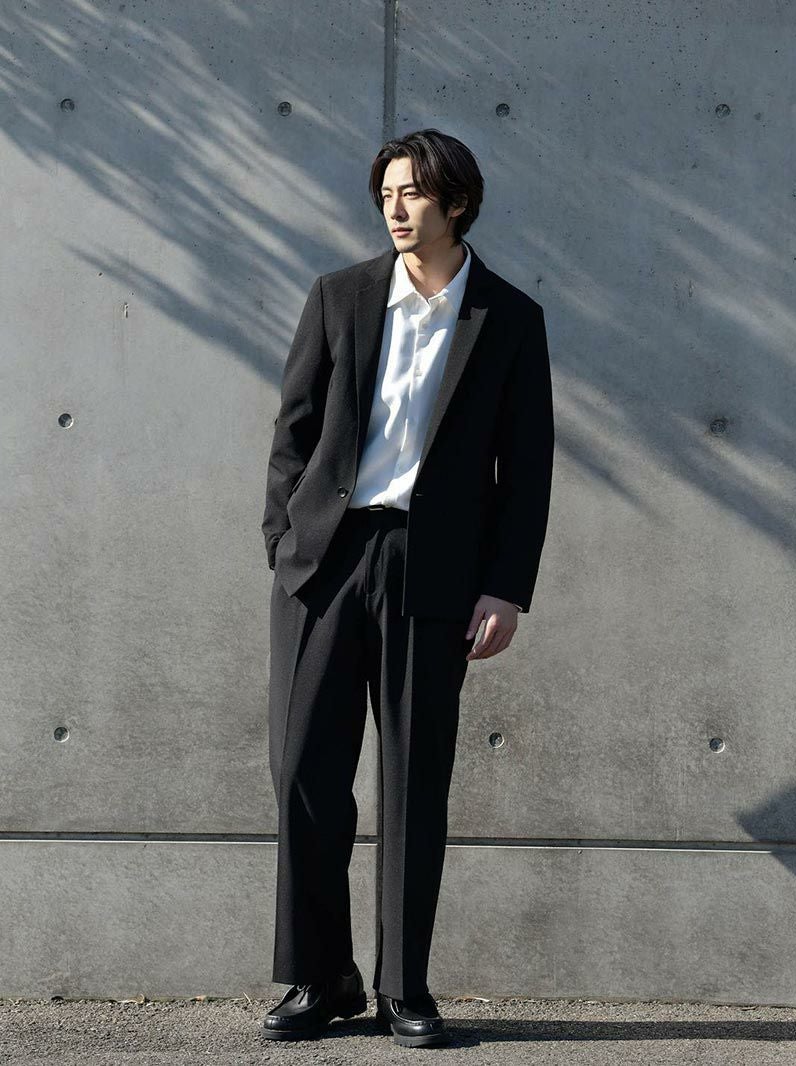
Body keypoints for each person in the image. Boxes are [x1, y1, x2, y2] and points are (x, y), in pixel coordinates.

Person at [260, 128, 554, 1047]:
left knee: (415, 780)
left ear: (457, 204)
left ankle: (403, 987)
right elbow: (294, 431)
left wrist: (506, 589)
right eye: (386, 193)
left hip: (436, 570)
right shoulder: (340, 296)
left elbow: (527, 468)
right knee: (303, 772)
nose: (395, 208)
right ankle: (323, 977)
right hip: (327, 561)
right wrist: (284, 542)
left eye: (414, 193)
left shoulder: (509, 318)